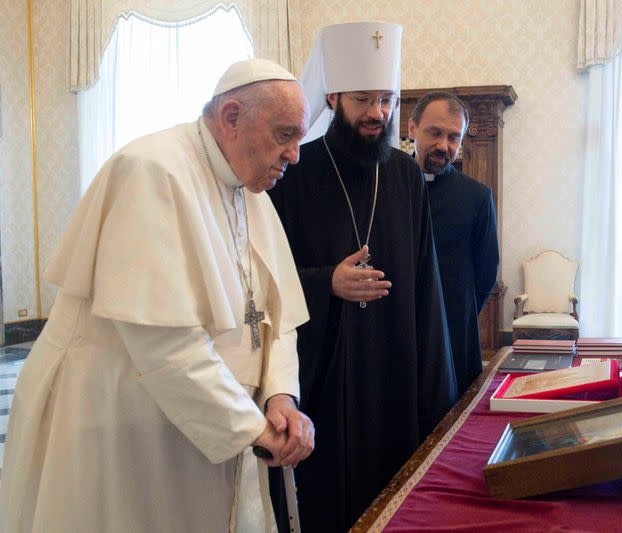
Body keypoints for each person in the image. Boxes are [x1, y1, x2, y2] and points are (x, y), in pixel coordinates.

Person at [0, 59, 315, 533]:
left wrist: (280, 397)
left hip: (218, 423)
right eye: (284, 134)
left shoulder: (252, 192)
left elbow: (276, 317)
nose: (295, 154)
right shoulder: (149, 172)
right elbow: (164, 347)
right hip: (125, 424)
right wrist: (252, 428)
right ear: (230, 117)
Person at [267, 22, 457, 533]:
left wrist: (437, 395)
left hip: (393, 370)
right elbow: (264, 283)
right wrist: (328, 282)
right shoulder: (293, 173)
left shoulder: (403, 175)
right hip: (321, 375)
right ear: (332, 95)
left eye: (387, 99)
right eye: (363, 99)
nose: (378, 112)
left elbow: (427, 288)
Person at [409, 92, 500, 396]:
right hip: (395, 333)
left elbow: (487, 270)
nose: (443, 145)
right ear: (412, 128)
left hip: (453, 332)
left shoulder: (476, 197)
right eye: (434, 133)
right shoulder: (386, 186)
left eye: (453, 137)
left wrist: (457, 311)